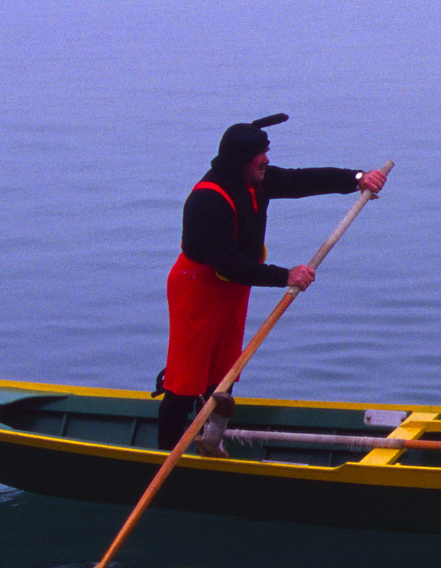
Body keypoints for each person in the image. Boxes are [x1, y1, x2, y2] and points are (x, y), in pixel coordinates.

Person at [156, 114, 389, 451]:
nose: (266, 160)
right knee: (186, 377)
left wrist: (357, 178)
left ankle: (211, 438)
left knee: (225, 369)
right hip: (198, 289)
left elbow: (301, 181)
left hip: (232, 289)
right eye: (259, 155)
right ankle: (164, 455)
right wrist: (285, 276)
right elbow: (229, 263)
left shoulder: (255, 180)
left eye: (266, 152)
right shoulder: (208, 200)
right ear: (239, 160)